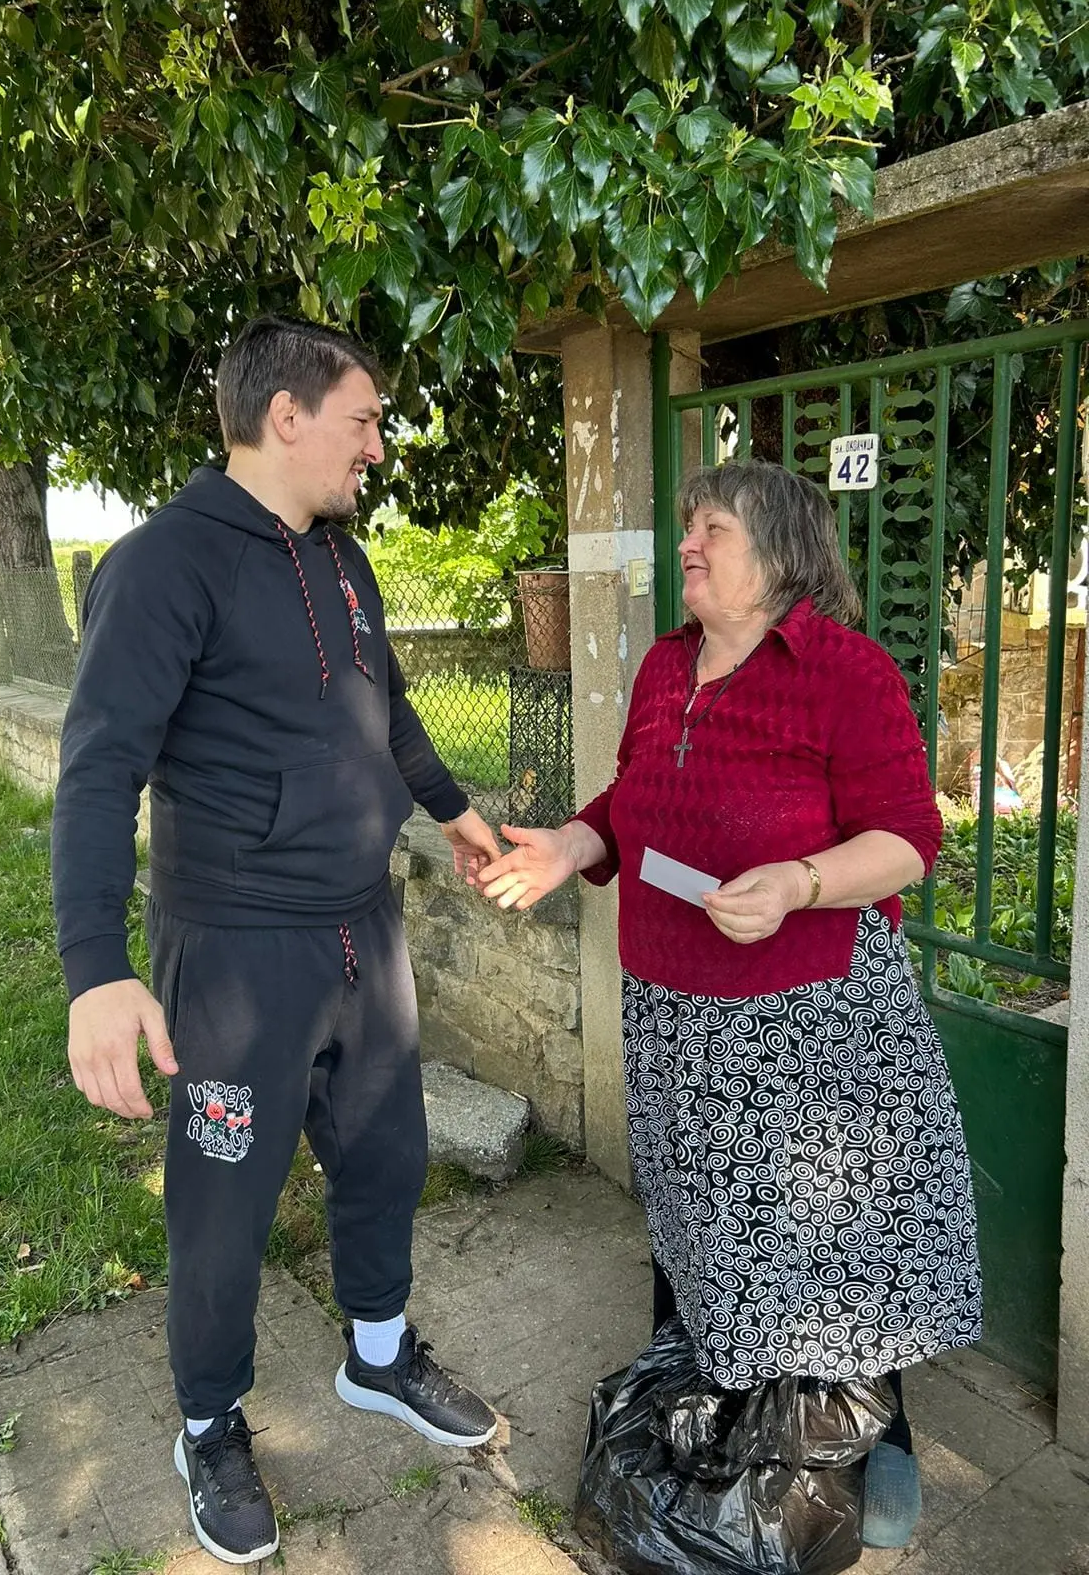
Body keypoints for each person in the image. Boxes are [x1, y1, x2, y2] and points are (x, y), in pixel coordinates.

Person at [51, 316, 501, 1566]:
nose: (378, 446)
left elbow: (388, 710)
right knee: (224, 1204)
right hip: (237, 952)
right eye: (364, 420)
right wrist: (96, 971)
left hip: (365, 930)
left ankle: (378, 1355)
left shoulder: (342, 559)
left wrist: (456, 813)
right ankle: (209, 1423)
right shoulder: (162, 565)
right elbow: (97, 771)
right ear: (285, 415)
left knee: (386, 1154)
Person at [479, 460, 982, 1550]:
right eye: (688, 527)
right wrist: (574, 843)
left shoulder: (844, 671)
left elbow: (908, 837)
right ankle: (707, 1408)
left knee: (838, 1233)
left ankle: (879, 1431)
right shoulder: (667, 665)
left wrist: (800, 879)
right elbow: (636, 796)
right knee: (697, 1217)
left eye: (711, 527)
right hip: (674, 1009)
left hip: (807, 1016)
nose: (689, 545)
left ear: (783, 550)